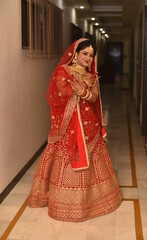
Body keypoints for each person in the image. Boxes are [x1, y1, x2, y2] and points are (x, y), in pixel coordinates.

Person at [28, 38, 122, 222]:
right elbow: (58, 94)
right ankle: (65, 204)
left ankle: (92, 202)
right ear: (76, 53)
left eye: (91, 55)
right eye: (85, 53)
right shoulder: (64, 71)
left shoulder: (91, 75)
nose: (87, 58)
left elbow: (94, 97)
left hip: (90, 126)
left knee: (93, 161)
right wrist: (73, 91)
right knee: (67, 159)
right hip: (69, 126)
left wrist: (84, 92)